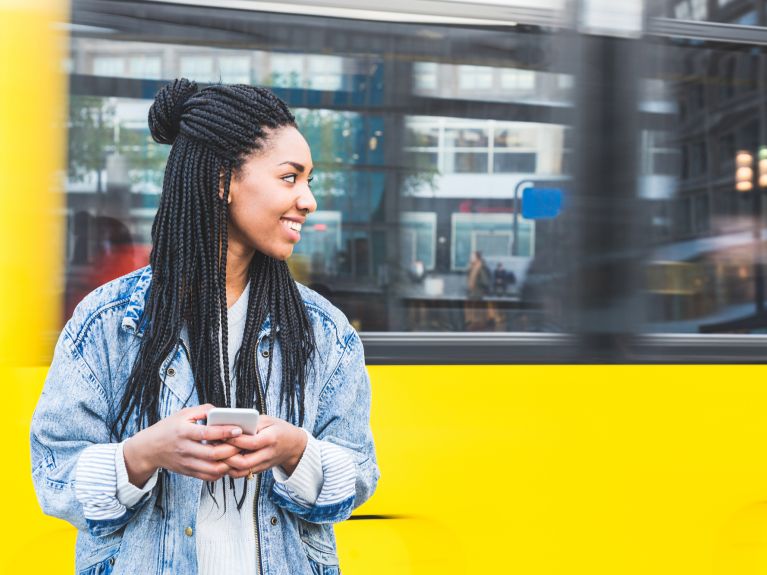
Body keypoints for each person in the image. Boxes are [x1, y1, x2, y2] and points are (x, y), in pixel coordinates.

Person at [31, 79, 379, 575]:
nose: (308, 200)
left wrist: (295, 451)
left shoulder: (324, 331)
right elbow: (54, 476)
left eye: (310, 180)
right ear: (222, 179)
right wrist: (143, 455)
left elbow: (358, 477)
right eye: (290, 178)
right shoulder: (105, 324)